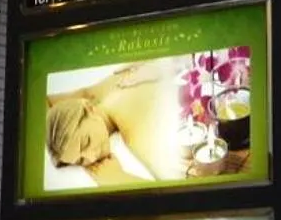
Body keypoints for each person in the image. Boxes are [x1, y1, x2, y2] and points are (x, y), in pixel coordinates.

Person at [44, 58, 190, 185]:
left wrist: (119, 178)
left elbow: (177, 192)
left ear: (89, 108)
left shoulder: (136, 135)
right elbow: (43, 101)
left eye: (86, 141)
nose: (92, 157)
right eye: (80, 161)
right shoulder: (99, 92)